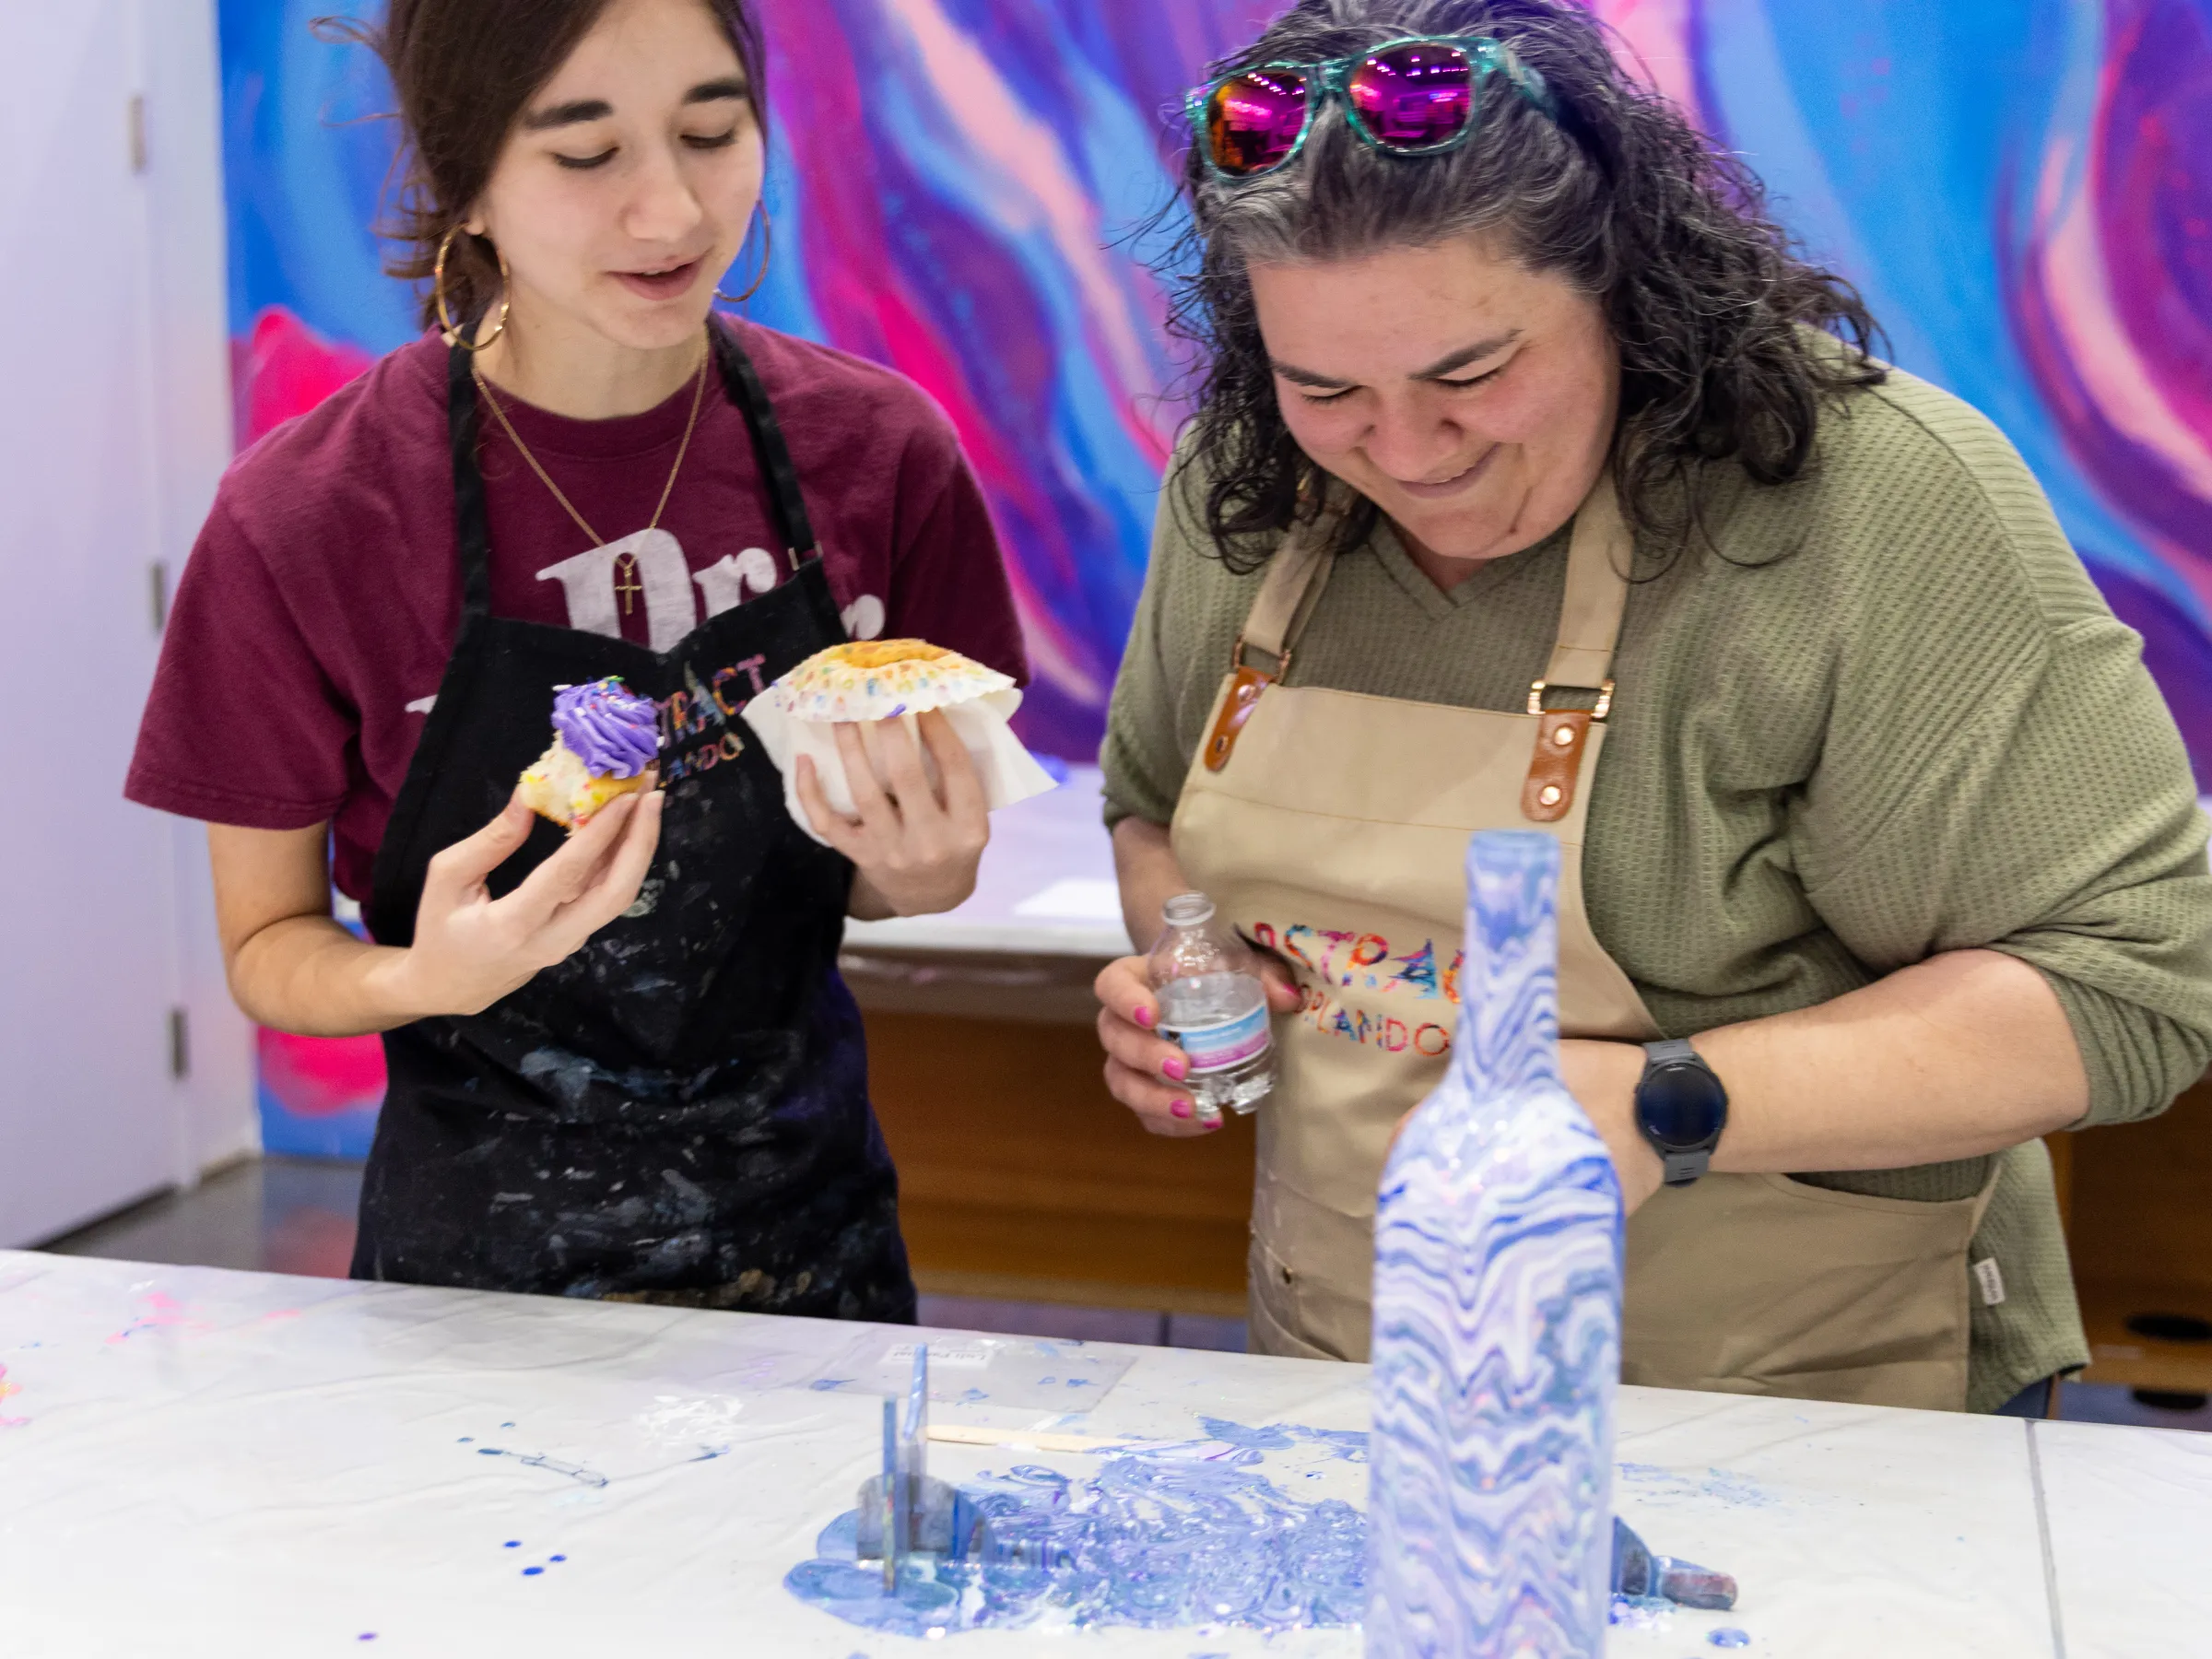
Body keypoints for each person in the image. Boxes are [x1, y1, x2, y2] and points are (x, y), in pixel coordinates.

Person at [1093, 0, 2212, 1414]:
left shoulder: (1867, 503)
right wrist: (1191, 980)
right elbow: (1148, 807)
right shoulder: (1248, 489)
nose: (1406, 448)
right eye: (1326, 387)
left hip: (1808, 1401)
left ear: (1622, 279)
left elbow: (2130, 982)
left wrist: (1662, 1104)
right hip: (1357, 1368)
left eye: (1472, 373)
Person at [126, 0, 1026, 1319]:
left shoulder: (882, 459)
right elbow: (269, 942)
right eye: (586, 153)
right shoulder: (306, 520)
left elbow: (893, 873)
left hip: (810, 1257)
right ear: (466, 180)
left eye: (712, 132)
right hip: (473, 1284)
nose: (671, 212)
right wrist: (426, 979)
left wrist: (923, 875)